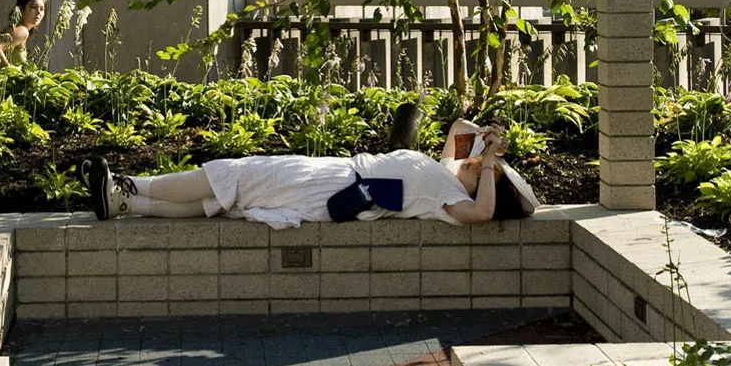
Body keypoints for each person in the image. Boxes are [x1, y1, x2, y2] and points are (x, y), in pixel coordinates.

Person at [82, 103, 540, 228]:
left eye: (485, 168)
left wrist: (491, 166)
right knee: (229, 198)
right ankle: (127, 205)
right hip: (332, 176)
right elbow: (460, 124)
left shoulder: (453, 199)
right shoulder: (445, 171)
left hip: (335, 187)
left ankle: (128, 183)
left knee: (238, 175)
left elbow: (481, 214)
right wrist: (487, 141)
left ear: (487, 182)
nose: (476, 161)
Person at [0, 0, 46, 68]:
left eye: (42, 9)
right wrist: (10, 71)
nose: (39, 12)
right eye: (33, 7)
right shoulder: (22, 31)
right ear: (21, 9)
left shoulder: (17, 29)